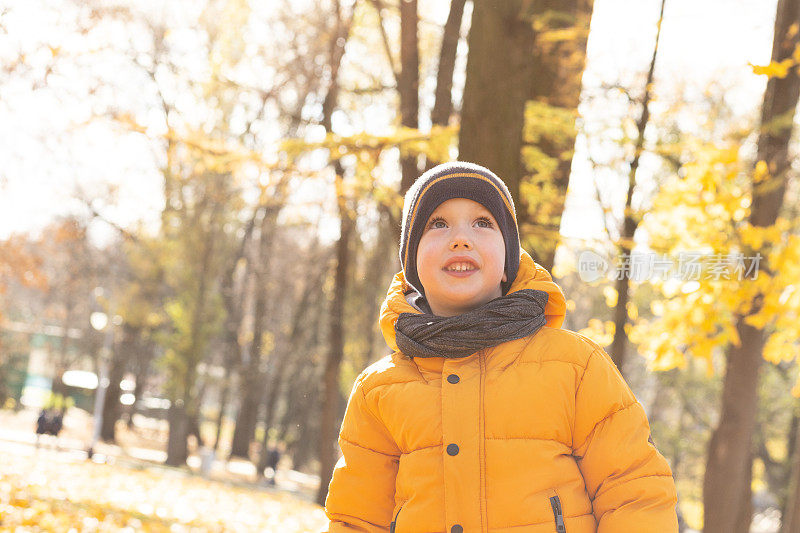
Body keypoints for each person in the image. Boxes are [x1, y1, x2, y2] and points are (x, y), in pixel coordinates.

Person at [323, 162, 678, 532]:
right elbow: (356, 518)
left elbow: (635, 491)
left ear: (508, 263)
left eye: (482, 223)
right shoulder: (379, 390)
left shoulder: (575, 366)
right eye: (437, 224)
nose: (460, 238)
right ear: (412, 263)